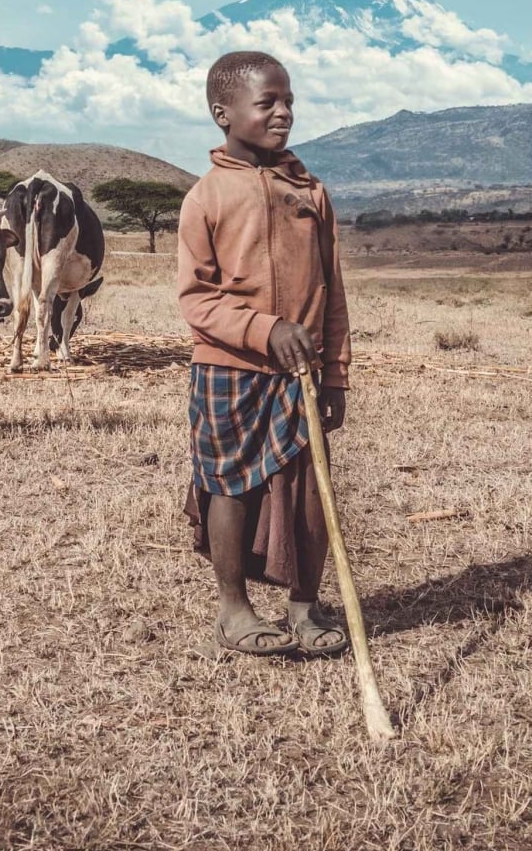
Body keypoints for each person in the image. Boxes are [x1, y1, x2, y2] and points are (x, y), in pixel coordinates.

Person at [177, 50, 353, 657]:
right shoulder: (206, 197)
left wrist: (336, 375)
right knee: (230, 484)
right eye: (267, 103)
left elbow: (332, 294)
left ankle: (305, 606)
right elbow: (197, 299)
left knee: (310, 486)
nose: (283, 113)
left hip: (301, 372)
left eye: (289, 102)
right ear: (223, 114)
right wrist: (264, 328)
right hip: (228, 366)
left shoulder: (312, 193)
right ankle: (233, 609)